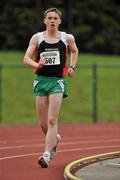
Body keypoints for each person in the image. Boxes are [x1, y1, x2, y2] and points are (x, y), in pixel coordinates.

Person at [23, 7, 78, 168]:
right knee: (43, 124)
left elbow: (75, 51)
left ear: (60, 21)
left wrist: (72, 67)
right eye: (49, 18)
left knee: (52, 119)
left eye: (55, 18)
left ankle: (46, 155)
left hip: (57, 81)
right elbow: (26, 58)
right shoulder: (37, 38)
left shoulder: (67, 38)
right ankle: (56, 139)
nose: (52, 20)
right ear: (45, 20)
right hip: (40, 81)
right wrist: (37, 64)